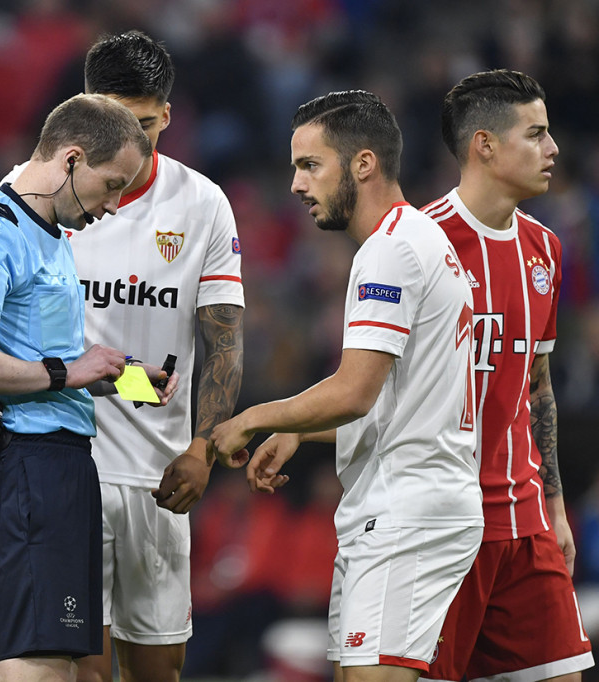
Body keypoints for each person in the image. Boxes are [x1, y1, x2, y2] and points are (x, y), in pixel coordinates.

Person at [209, 90, 484, 681]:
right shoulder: (422, 239)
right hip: (410, 505)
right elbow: (397, 399)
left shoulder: (388, 252)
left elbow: (355, 390)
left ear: (363, 164)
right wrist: (297, 429)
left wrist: (256, 417)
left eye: (310, 165)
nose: (296, 185)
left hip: (406, 511)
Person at [0, 93, 164, 682]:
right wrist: (70, 372)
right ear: (70, 158)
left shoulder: (52, 236)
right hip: (24, 468)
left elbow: (50, 359)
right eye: (110, 184)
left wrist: (126, 378)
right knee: (35, 667)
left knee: (71, 670)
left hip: (60, 468)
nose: (112, 206)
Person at [72, 31, 245, 682]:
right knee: (81, 669)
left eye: (145, 125)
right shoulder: (39, 196)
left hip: (159, 474)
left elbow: (223, 334)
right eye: (114, 122)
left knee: (159, 670)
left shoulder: (200, 204)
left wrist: (203, 446)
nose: (130, 143)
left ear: (168, 115)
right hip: (70, 466)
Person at [419, 69, 594, 682]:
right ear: (484, 145)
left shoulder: (545, 249)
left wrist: (556, 503)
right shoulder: (419, 244)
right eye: (536, 134)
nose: (552, 151)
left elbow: (536, 385)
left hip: (526, 524)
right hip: (443, 527)